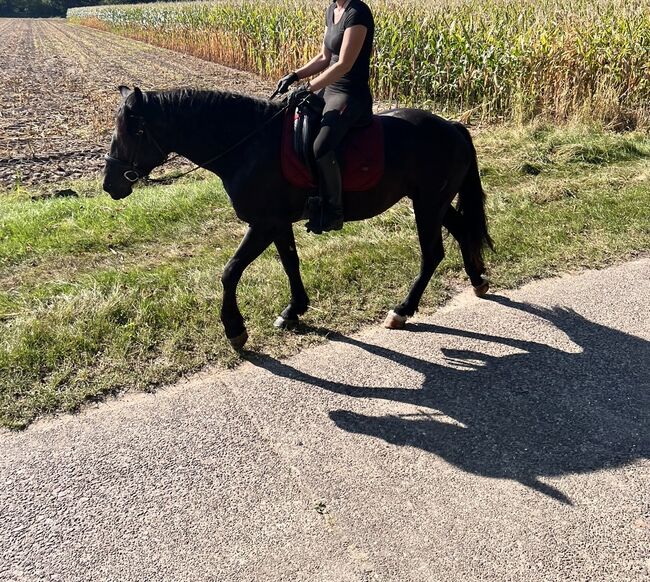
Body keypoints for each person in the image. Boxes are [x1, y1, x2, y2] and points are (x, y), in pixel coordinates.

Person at [276, 0, 375, 234]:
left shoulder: (358, 13)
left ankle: (334, 210)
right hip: (328, 88)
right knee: (293, 119)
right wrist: (294, 75)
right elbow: (324, 57)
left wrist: (308, 87)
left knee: (321, 146)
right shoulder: (332, 10)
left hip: (350, 93)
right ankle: (307, 193)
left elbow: (344, 64)